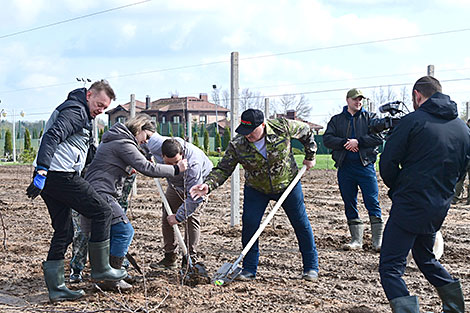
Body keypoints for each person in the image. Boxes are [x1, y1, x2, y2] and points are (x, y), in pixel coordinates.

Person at [26, 80, 127, 302]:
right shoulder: (76, 111)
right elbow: (53, 136)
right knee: (102, 211)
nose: (100, 110)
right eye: (99, 104)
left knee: (64, 232)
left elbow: (86, 151)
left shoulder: (85, 114)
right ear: (89, 94)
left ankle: (57, 288)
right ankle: (101, 269)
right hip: (59, 175)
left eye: (104, 108)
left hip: (53, 177)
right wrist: (42, 170)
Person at [190, 109, 319, 281]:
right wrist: (208, 185)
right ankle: (249, 269)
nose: (248, 135)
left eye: (251, 131)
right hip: (257, 189)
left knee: (301, 223)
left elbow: (306, 131)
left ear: (263, 125)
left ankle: (311, 267)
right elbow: (223, 168)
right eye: (245, 131)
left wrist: (310, 155)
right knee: (250, 224)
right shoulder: (238, 144)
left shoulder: (282, 127)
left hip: (287, 184)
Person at [378, 76, 469, 312]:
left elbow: (388, 162)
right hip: (437, 206)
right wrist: (444, 193)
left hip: (409, 204)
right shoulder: (462, 129)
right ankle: (455, 307)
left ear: (417, 96)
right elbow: (462, 170)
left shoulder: (412, 122)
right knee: (426, 257)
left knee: (390, 267)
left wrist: (398, 188)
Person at [82, 114, 187, 290]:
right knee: (124, 230)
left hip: (95, 190)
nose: (146, 142)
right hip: (101, 192)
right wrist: (176, 169)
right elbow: (147, 168)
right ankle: (111, 278)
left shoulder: (117, 139)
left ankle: (108, 273)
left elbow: (126, 161)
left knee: (109, 232)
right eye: (146, 137)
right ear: (139, 129)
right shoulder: (123, 143)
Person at [323, 89, 384, 252]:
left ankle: (377, 242)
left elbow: (379, 137)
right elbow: (327, 139)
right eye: (355, 99)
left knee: (372, 201)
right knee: (349, 202)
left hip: (365, 166)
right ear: (347, 100)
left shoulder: (370, 118)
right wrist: (345, 142)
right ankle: (356, 240)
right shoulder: (336, 120)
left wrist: (359, 142)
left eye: (360, 100)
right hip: (345, 167)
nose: (358, 102)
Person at [146, 135, 213, 269]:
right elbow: (141, 145)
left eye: (176, 163)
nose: (173, 167)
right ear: (161, 155)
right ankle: (170, 257)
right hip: (175, 185)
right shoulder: (155, 145)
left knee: (191, 217)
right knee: (167, 216)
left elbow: (194, 199)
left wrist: (178, 217)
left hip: (197, 185)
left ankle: (189, 259)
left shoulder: (194, 165)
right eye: (168, 163)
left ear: (182, 155)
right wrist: (144, 157)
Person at [452, 119, 470, 204]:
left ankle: (454, 198)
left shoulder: (464, 131)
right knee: (460, 179)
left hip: (464, 157)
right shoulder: (465, 130)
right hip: (465, 157)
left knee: (460, 179)